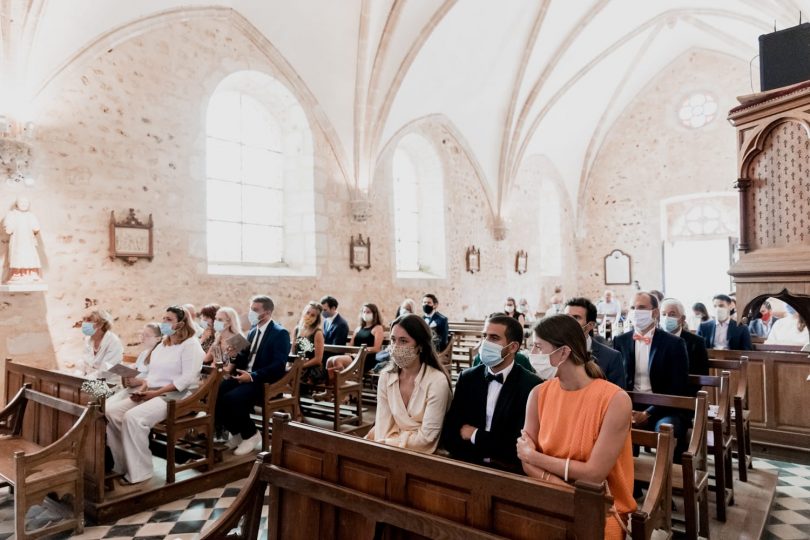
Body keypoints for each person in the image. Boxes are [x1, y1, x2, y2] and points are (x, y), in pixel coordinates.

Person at [517, 315, 635, 539]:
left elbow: (594, 474)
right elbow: (525, 461)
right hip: (548, 494)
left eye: (538, 347)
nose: (532, 354)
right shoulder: (538, 393)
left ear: (563, 352)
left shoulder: (615, 400)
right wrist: (562, 488)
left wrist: (535, 457)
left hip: (601, 504)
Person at [105, 306, 204, 484]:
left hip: (177, 395)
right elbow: (152, 375)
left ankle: (141, 471)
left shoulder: (190, 345)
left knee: (133, 418)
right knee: (111, 412)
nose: (164, 322)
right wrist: (143, 389)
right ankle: (123, 464)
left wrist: (155, 393)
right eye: (163, 318)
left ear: (180, 324)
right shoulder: (164, 344)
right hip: (153, 390)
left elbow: (187, 379)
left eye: (169, 320)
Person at [441, 315, 541, 472]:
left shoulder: (531, 385)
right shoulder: (468, 378)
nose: (486, 343)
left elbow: (516, 448)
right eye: (484, 336)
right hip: (467, 465)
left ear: (513, 347)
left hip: (508, 472)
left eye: (494, 338)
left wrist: (474, 434)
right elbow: (450, 434)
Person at [612, 292, 690, 460]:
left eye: (641, 308)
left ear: (654, 313)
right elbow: (617, 381)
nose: (635, 312)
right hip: (630, 405)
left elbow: (678, 387)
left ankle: (669, 480)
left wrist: (648, 413)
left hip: (664, 407)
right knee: (609, 427)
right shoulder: (621, 341)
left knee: (667, 429)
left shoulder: (674, 343)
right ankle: (631, 482)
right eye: (632, 308)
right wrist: (628, 409)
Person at [215, 296, 291, 456]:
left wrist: (252, 376)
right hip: (244, 376)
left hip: (264, 380)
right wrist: (234, 355)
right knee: (217, 392)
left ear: (267, 312)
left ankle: (251, 435)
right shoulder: (252, 331)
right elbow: (243, 357)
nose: (251, 312)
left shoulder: (280, 333)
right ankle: (236, 433)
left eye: (255, 310)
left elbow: (278, 365)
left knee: (232, 398)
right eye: (251, 308)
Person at [366, 314, 452, 453]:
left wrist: (391, 442)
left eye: (404, 341)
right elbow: (383, 425)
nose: (395, 347)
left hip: (426, 455)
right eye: (393, 340)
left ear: (421, 346)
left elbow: (427, 439)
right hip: (388, 448)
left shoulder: (436, 381)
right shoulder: (386, 376)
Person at [563, 297, 625, 387]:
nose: (569, 322)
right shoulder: (554, 352)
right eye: (566, 317)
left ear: (590, 325)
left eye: (576, 317)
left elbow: (619, 396)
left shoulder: (611, 357)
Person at [324, 303, 385, 383]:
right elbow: (351, 346)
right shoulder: (358, 328)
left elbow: (376, 348)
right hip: (354, 356)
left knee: (337, 361)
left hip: (366, 358)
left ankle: (342, 387)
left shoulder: (377, 328)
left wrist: (360, 350)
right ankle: (332, 388)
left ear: (374, 314)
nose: (365, 314)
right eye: (363, 312)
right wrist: (349, 354)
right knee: (329, 361)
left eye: (368, 312)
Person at [660, 298, 709, 395]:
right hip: (656, 394)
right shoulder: (655, 338)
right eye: (664, 314)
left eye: (672, 314)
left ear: (682, 318)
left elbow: (700, 375)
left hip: (684, 395)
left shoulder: (696, 342)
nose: (667, 318)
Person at [108, 323, 162, 403]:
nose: (142, 338)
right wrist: (128, 378)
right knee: (106, 403)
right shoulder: (143, 353)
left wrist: (138, 381)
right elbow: (137, 371)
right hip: (133, 387)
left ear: (158, 338)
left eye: (147, 335)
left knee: (111, 407)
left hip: (144, 390)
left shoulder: (159, 355)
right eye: (142, 334)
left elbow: (156, 379)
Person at [3, 196, 42, 282]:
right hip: (17, 241)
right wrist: (10, 225)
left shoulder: (31, 215)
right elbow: (8, 229)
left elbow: (36, 228)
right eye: (22, 202)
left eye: (26, 203)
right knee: (18, 255)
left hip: (28, 241)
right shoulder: (12, 214)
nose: (24, 204)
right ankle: (17, 274)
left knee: (30, 255)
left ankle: (31, 273)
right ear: (17, 204)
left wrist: (35, 227)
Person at [80, 309, 124, 379]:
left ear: (100, 324)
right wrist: (77, 377)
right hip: (90, 380)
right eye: (83, 319)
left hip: (109, 383)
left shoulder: (113, 342)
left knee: (74, 388)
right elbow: (84, 364)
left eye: (88, 320)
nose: (84, 323)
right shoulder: (88, 339)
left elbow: (105, 372)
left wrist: (84, 380)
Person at [292, 301, 326, 384]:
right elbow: (293, 352)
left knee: (295, 380)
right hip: (298, 365)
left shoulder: (317, 333)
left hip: (312, 368)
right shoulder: (297, 330)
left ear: (316, 319)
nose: (309, 316)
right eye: (307, 313)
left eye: (313, 315)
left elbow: (318, 359)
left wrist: (301, 366)